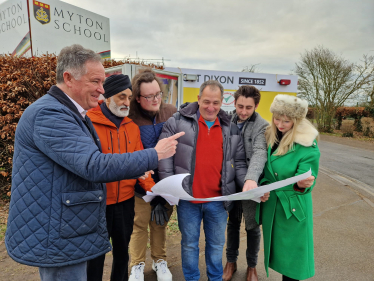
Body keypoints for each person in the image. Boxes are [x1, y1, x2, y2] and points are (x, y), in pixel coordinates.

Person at [5, 44, 183, 281]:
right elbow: (93, 165)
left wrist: (154, 189)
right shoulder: (51, 114)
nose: (102, 90)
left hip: (73, 222)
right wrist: (155, 154)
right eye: (96, 82)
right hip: (59, 232)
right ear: (68, 78)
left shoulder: (71, 113)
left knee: (120, 254)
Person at [158, 80, 250, 281]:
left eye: (216, 103)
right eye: (206, 101)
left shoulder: (231, 129)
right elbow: (164, 158)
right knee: (189, 244)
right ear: (198, 99)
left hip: (218, 201)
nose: (211, 107)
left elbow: (240, 163)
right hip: (188, 200)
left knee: (216, 245)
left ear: (221, 103)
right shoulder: (176, 122)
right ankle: (191, 279)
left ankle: (215, 278)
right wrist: (168, 191)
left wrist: (249, 186)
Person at [86, 74, 156, 281]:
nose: (127, 102)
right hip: (97, 203)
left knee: (122, 252)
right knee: (95, 256)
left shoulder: (132, 128)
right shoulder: (88, 123)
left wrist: (154, 190)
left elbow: (141, 165)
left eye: (129, 97)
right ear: (106, 97)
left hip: (125, 202)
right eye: (121, 97)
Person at [256, 94, 320, 281]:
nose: (280, 124)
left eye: (287, 121)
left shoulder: (307, 144)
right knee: (281, 257)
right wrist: (262, 186)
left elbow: (308, 178)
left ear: (297, 121)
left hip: (293, 208)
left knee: (294, 262)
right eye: (277, 119)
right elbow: (266, 172)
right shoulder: (270, 136)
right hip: (274, 207)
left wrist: (302, 184)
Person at [128, 69, 176, 281]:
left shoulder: (171, 112)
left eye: (158, 94)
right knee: (139, 225)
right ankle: (136, 265)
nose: (156, 99)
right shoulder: (130, 117)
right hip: (139, 184)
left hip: (166, 183)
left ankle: (159, 261)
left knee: (160, 224)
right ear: (138, 98)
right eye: (149, 96)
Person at [223, 85, 268, 281]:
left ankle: (252, 266)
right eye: (240, 106)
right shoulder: (225, 120)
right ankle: (230, 262)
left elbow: (259, 152)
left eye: (248, 108)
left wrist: (251, 179)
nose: (243, 111)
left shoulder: (262, 126)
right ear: (234, 103)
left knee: (252, 226)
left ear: (256, 106)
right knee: (232, 223)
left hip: (252, 183)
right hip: (231, 182)